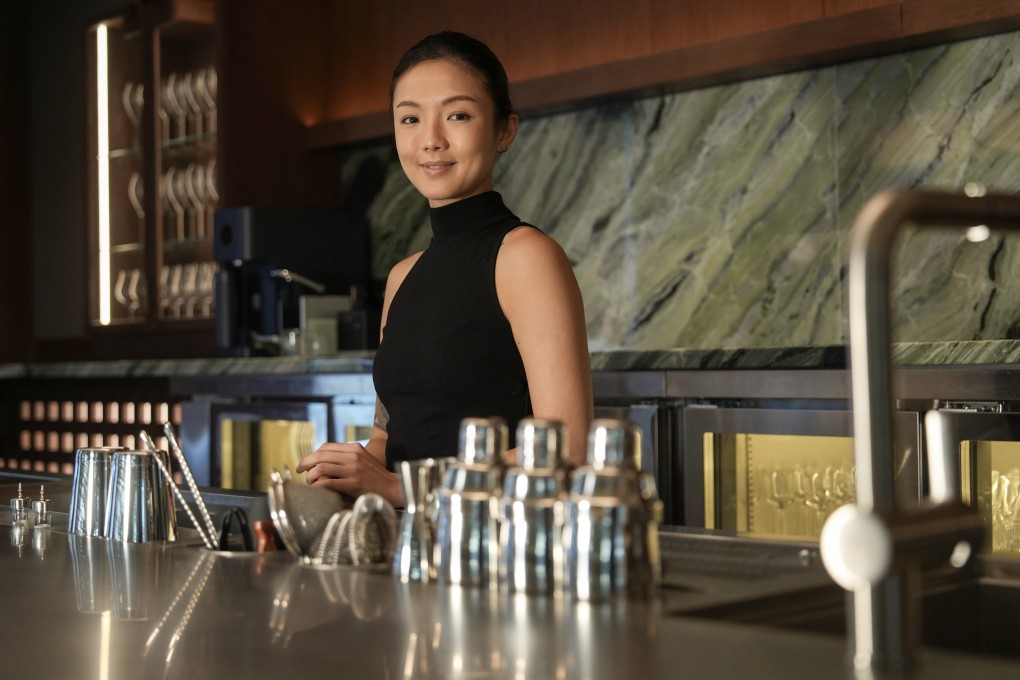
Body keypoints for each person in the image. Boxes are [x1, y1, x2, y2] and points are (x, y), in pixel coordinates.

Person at [296, 31, 593, 508]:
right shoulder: (401, 277)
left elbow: (567, 452)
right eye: (410, 119)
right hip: (409, 551)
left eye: (457, 115)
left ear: (504, 131)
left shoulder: (526, 257)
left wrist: (398, 488)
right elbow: (388, 439)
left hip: (495, 555)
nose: (431, 140)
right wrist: (344, 473)